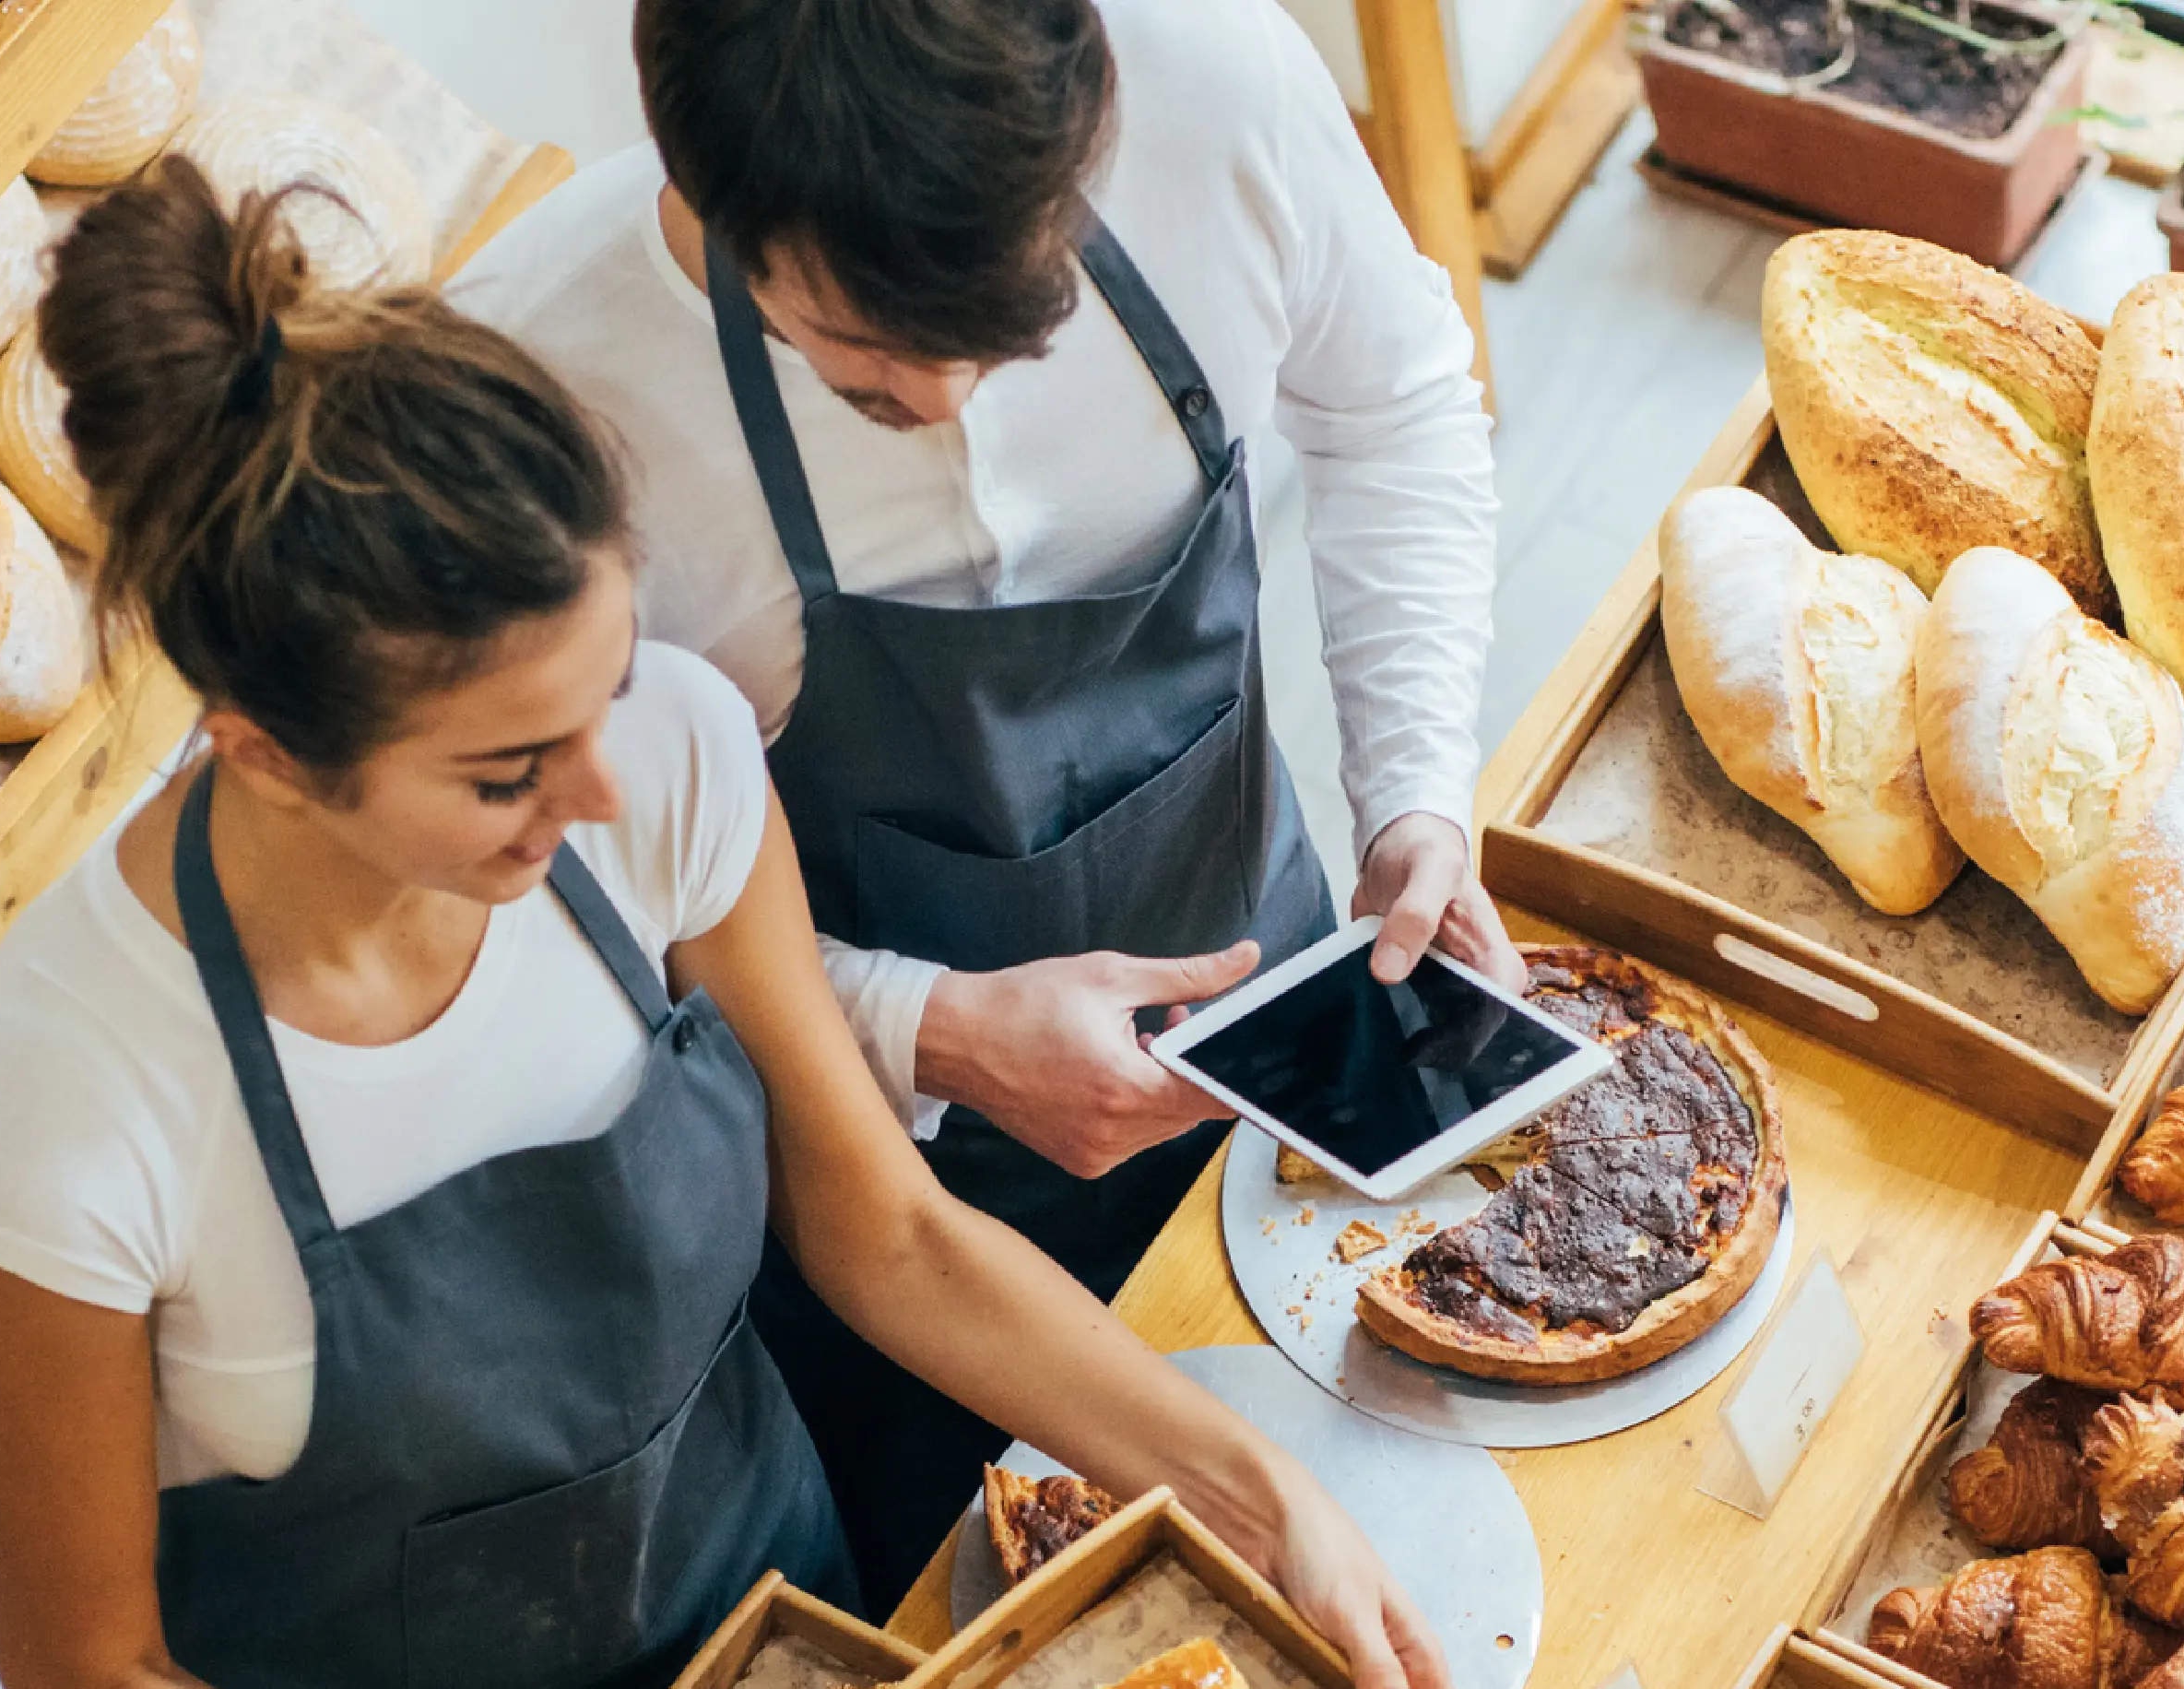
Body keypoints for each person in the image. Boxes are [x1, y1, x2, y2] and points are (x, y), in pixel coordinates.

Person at [0, 164, 1449, 1689]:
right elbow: (94, 1686)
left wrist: (1255, 1490)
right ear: (256, 745)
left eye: (610, 692)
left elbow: (889, 1239)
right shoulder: (72, 1108)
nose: (605, 803)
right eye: (506, 773)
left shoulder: (667, 767)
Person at [451, 0, 1504, 1594]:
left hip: (1277, 1065)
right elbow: (553, 911)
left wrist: (1414, 785)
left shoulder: (1215, 84)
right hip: (878, 1220)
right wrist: (922, 1027)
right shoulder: (535, 391)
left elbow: (1396, 403)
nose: (945, 397)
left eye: (1018, 320)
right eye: (868, 350)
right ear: (702, 180)